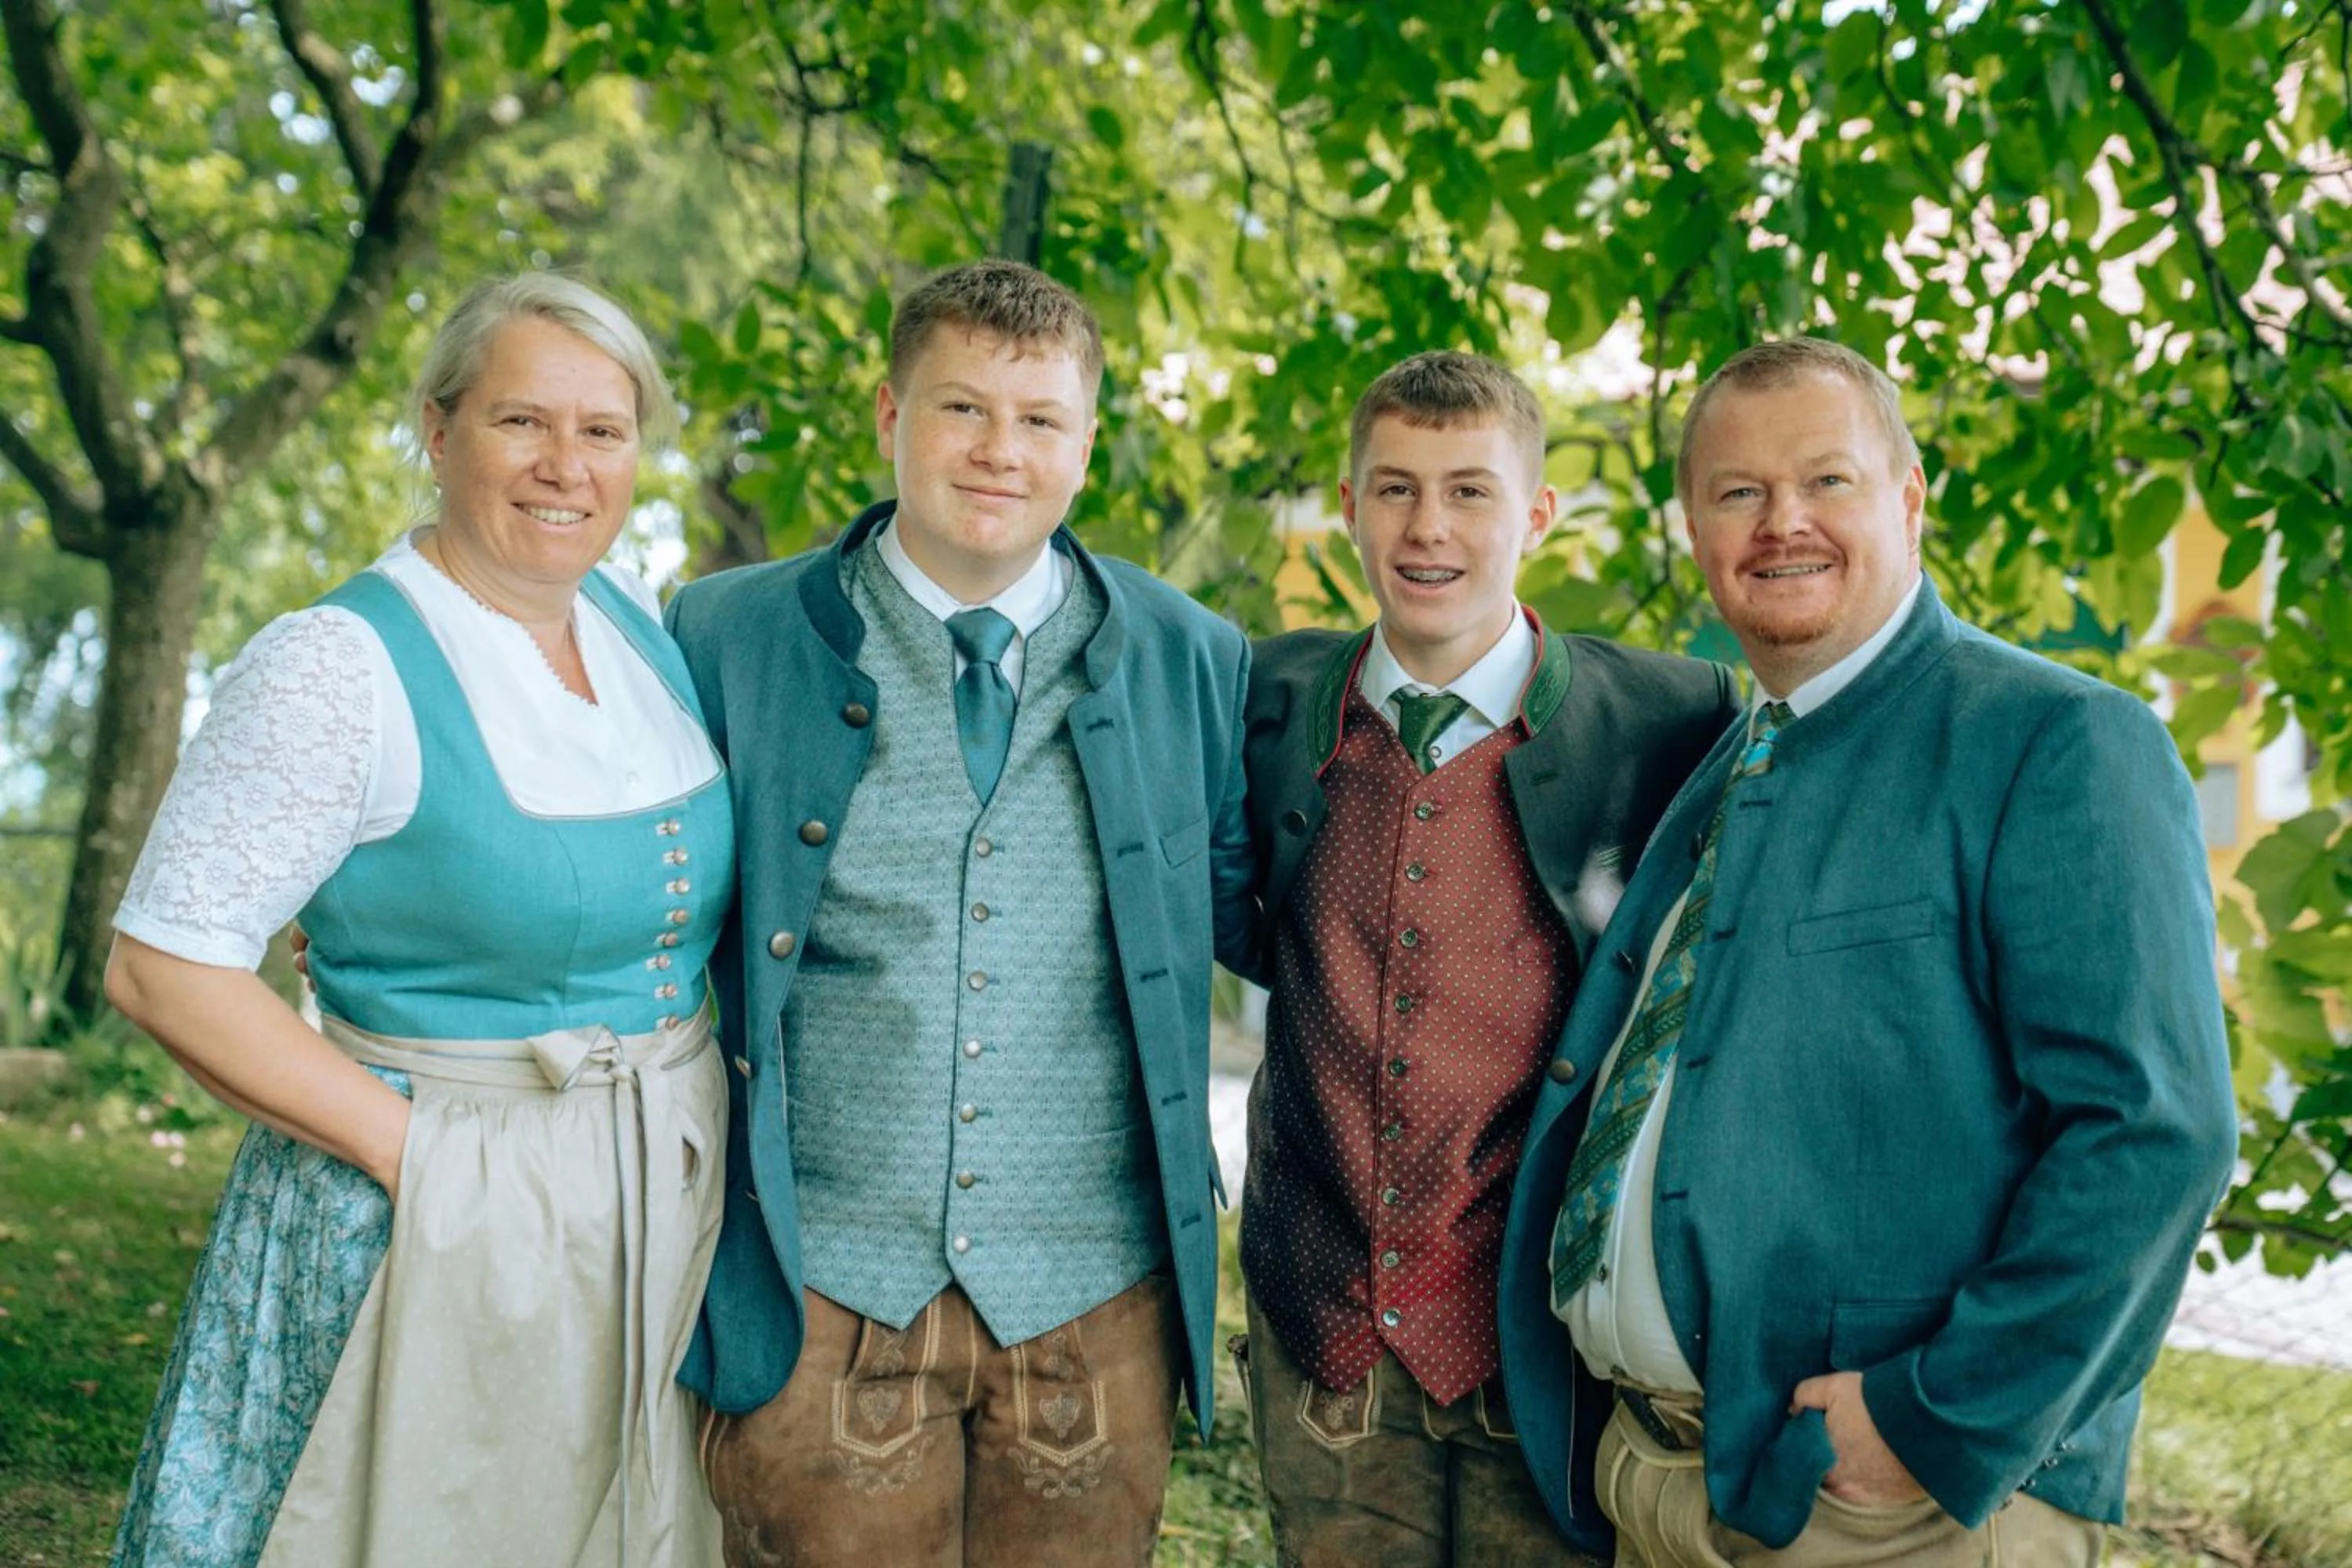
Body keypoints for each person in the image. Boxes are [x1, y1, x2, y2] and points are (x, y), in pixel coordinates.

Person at [1497, 336, 2238, 1565]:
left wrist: (1932, 1421)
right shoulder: (1730, 764)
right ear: (1695, 528)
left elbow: (2158, 1134)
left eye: (1826, 481)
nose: (1781, 521)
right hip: (1660, 1490)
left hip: (1890, 1516)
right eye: (1738, 493)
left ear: (1906, 499)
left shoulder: (2053, 743)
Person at [104, 273, 731, 1568]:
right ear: (439, 432)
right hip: (427, 1204)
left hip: (652, 1191)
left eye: (604, 432)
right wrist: (431, 1160)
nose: (566, 466)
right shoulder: (339, 666)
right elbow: (165, 969)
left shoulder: (630, 627)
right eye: (521, 423)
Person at [665, 258, 1252, 1567]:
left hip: (1095, 1301)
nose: (1002, 451)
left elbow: (1257, 904)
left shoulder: (1191, 656)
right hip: (821, 1287)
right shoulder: (725, 635)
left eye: (1041, 420)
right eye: (961, 410)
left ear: (1087, 445)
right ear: (889, 416)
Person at [1231, 350, 1739, 1566]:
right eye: (1395, 489)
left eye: (1469, 491)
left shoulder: (1677, 719)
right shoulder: (1263, 701)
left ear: (1536, 514)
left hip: (1545, 1347)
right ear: (1349, 506)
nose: (1429, 527)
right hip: (1326, 1340)